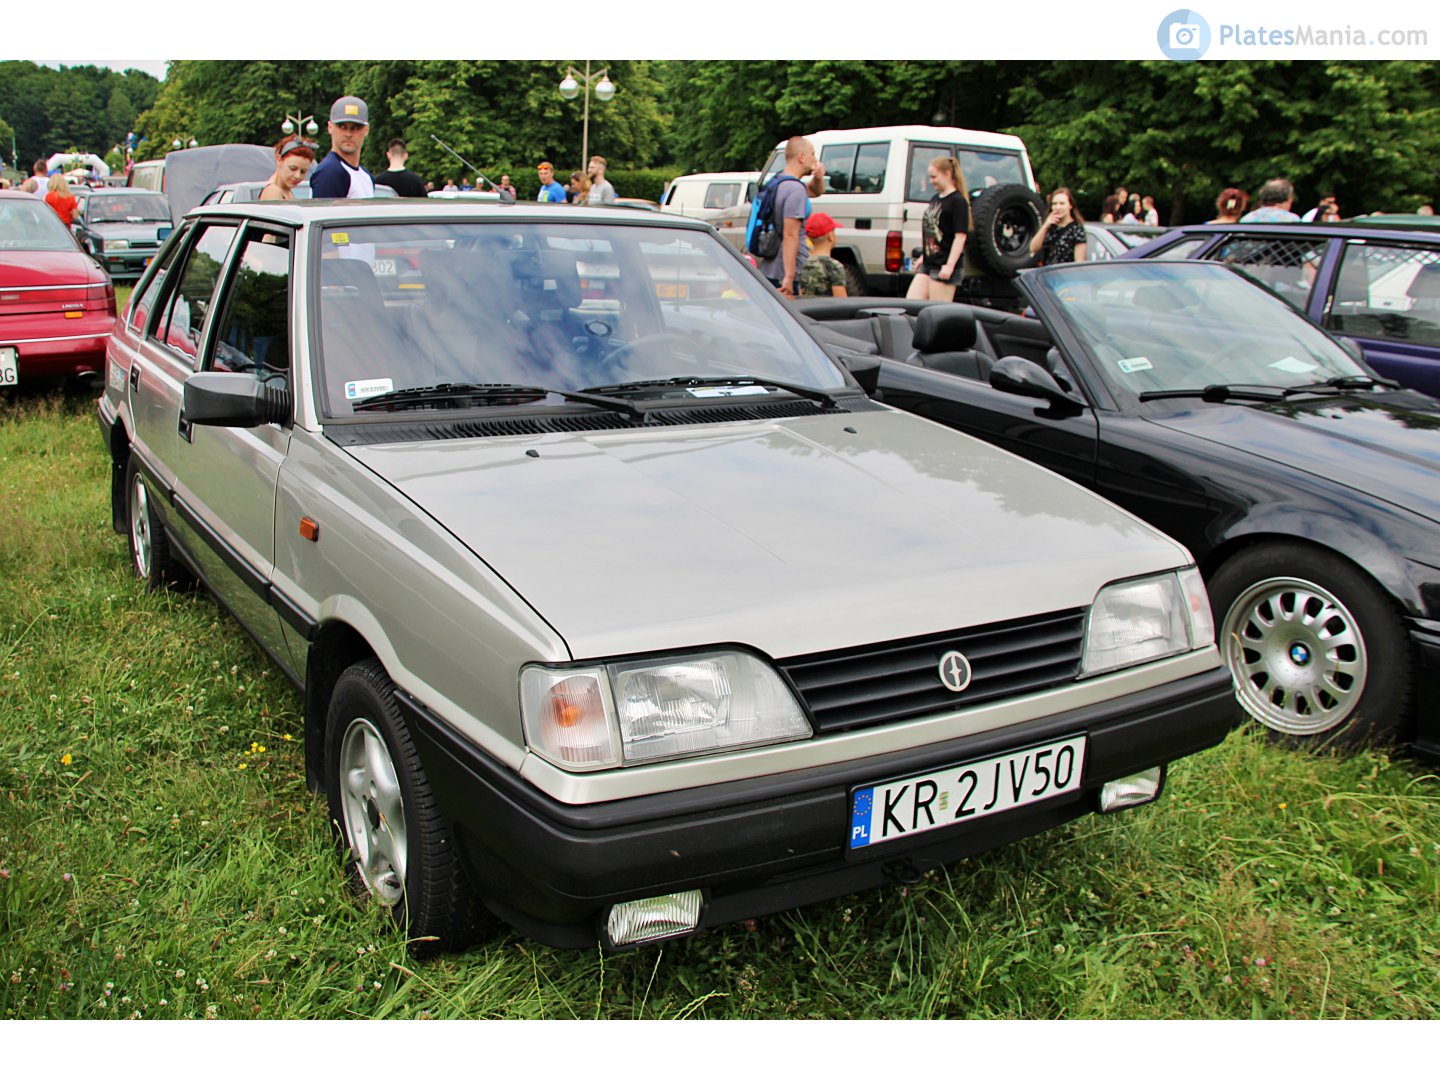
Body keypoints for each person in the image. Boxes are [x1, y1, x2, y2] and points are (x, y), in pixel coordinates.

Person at [755, 136, 820, 297]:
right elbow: (790, 234)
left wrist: (818, 177)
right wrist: (789, 277)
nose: (815, 159)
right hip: (786, 272)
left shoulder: (778, 182)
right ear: (802, 157)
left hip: (770, 267)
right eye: (812, 154)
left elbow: (816, 191)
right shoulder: (795, 190)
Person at [907, 155, 968, 302]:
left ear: (947, 174)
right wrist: (924, 256)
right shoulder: (936, 198)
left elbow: (960, 237)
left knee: (937, 312)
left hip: (944, 264)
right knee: (912, 304)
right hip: (929, 262)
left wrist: (949, 266)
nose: (931, 181)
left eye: (934, 177)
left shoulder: (958, 201)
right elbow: (931, 231)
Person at [309, 95, 375, 199]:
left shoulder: (365, 175)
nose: (348, 133)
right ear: (330, 127)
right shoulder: (330, 172)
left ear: (366, 130)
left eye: (356, 127)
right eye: (342, 126)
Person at [1030, 187, 1087, 265]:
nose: (1058, 207)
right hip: (1048, 273)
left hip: (1065, 274)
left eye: (1062, 203)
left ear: (1070, 206)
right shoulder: (1050, 226)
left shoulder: (1077, 229)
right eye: (1054, 204)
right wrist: (1045, 226)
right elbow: (1033, 248)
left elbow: (1079, 262)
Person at [797, 212, 848, 298]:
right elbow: (841, 301)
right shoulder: (834, 266)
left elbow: (801, 294)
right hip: (828, 311)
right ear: (830, 236)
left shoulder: (803, 263)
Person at [259, 135, 317, 201]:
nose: (297, 176)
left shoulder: (287, 191)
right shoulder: (273, 191)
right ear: (279, 159)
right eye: (292, 168)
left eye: (303, 171)